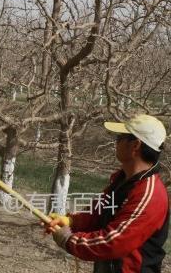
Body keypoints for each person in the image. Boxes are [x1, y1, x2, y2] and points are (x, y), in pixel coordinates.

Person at [45, 114, 169, 273]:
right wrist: (70, 221)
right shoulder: (121, 180)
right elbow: (97, 213)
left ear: (135, 145)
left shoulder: (150, 194)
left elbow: (115, 242)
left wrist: (69, 240)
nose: (115, 142)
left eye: (120, 137)